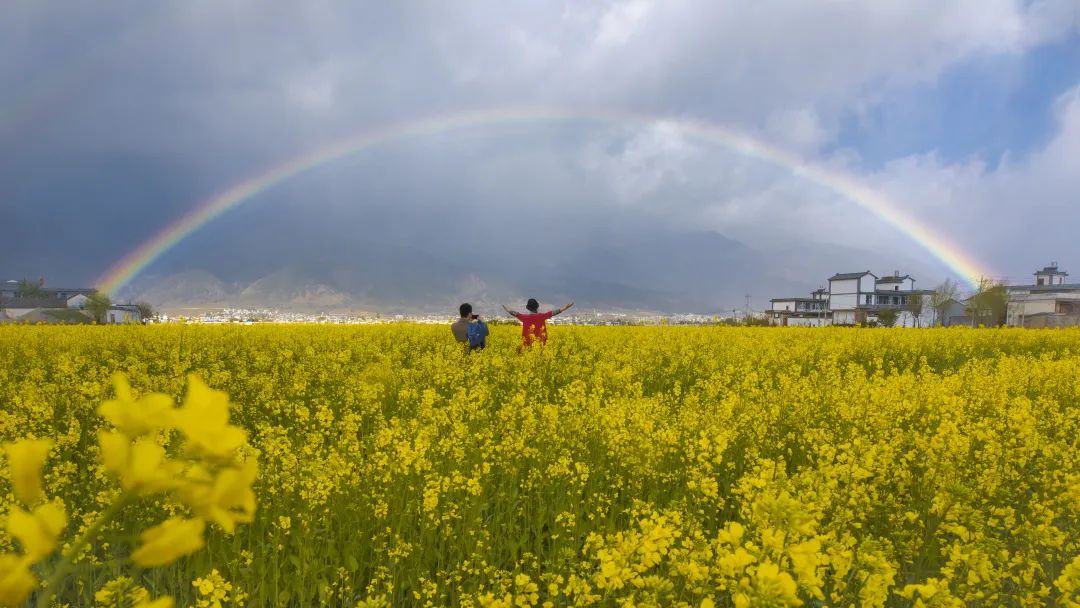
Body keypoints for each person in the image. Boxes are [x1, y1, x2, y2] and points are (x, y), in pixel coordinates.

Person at [501, 298, 573, 347]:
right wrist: (565, 308)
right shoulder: (542, 316)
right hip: (541, 345)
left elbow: (514, 313)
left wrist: (506, 309)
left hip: (527, 346)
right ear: (537, 307)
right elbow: (554, 313)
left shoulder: (524, 317)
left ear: (528, 308)